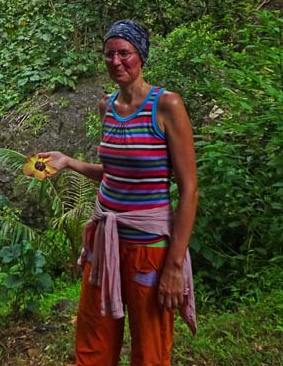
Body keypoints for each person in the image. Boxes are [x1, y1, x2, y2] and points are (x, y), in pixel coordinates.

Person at [38, 19, 198, 366]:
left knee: (150, 349)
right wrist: (67, 161)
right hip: (104, 241)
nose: (116, 61)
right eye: (109, 54)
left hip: (148, 247)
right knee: (93, 343)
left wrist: (174, 266)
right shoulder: (106, 107)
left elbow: (189, 190)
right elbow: (115, 174)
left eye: (124, 53)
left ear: (140, 55)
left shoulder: (166, 105)